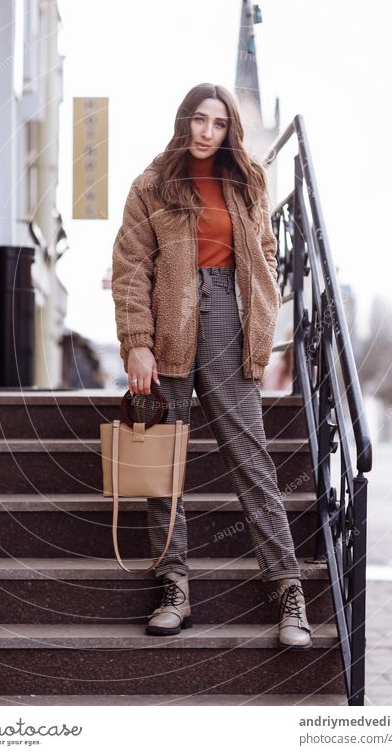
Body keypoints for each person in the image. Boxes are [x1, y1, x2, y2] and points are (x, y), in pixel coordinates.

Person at [111, 82, 312, 649]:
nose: (206, 131)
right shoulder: (151, 185)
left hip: (230, 320)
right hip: (167, 323)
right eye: (198, 119)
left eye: (217, 123)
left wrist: (262, 303)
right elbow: (130, 268)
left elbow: (266, 251)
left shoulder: (247, 180)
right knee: (162, 464)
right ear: (184, 121)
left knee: (251, 459)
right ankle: (174, 587)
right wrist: (137, 342)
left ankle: (288, 591)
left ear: (229, 130)